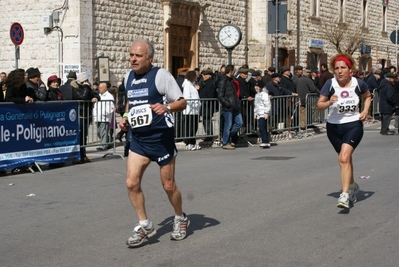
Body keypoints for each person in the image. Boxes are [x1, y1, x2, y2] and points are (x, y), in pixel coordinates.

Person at [118, 39, 189, 247]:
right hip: (139, 140)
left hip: (161, 139)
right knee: (131, 183)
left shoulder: (161, 76)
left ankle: (180, 217)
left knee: (168, 186)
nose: (133, 59)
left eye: (138, 56)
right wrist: (125, 117)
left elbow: (182, 102)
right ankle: (145, 225)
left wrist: (166, 107)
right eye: (131, 55)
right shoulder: (128, 76)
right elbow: (130, 102)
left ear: (150, 58)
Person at [316, 53, 372, 209]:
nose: (340, 71)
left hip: (353, 124)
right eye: (337, 68)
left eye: (343, 68)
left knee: (344, 157)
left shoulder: (358, 83)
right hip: (333, 127)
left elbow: (368, 96)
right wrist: (328, 102)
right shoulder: (330, 84)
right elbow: (319, 105)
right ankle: (353, 186)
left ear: (350, 69)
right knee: (344, 159)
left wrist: (365, 110)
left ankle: (345, 195)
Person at [71, 72, 100, 164]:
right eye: (85, 81)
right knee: (80, 136)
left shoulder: (87, 89)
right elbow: (83, 96)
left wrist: (95, 97)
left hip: (87, 115)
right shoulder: (76, 89)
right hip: (80, 115)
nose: (87, 82)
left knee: (84, 137)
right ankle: (77, 156)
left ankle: (83, 155)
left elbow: (96, 94)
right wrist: (86, 87)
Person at [217, 64, 243, 150]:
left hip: (235, 105)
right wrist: (227, 103)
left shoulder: (232, 80)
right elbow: (220, 96)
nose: (234, 72)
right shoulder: (223, 81)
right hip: (228, 107)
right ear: (230, 71)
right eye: (233, 71)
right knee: (227, 125)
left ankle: (226, 137)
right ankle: (225, 142)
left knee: (239, 122)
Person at [182, 70, 202, 150]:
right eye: (195, 77)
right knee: (189, 127)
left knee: (194, 127)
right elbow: (187, 98)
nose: (196, 78)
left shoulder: (192, 85)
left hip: (195, 110)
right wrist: (195, 104)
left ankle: (193, 142)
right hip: (190, 110)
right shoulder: (187, 85)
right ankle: (188, 143)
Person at [93, 82, 115, 150]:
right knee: (99, 132)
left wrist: (105, 113)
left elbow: (112, 107)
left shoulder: (109, 96)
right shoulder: (99, 95)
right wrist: (94, 113)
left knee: (103, 132)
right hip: (97, 116)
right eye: (99, 87)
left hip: (104, 117)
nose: (99, 89)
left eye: (101, 88)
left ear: (105, 88)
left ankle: (103, 145)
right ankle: (110, 141)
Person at [199, 68, 217, 142]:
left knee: (207, 120)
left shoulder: (210, 83)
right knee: (205, 120)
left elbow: (210, 95)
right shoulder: (205, 83)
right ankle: (208, 134)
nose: (203, 76)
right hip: (205, 104)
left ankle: (209, 135)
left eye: (205, 75)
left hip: (207, 105)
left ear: (209, 76)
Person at [254, 82, 271, 148]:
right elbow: (256, 104)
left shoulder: (264, 94)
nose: (256, 87)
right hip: (259, 113)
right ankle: (264, 141)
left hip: (263, 113)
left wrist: (266, 113)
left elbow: (267, 104)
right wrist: (255, 113)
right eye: (255, 86)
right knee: (261, 128)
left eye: (257, 86)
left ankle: (265, 141)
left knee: (262, 127)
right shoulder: (257, 95)